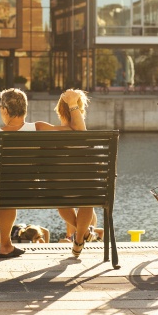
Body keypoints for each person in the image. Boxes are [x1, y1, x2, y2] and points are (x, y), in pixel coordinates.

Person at [36, 89, 101, 254]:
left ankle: (82, 235)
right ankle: (80, 237)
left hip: (58, 192)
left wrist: (70, 104)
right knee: (88, 199)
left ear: (59, 110)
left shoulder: (44, 128)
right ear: (82, 110)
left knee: (61, 199)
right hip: (87, 192)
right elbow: (79, 131)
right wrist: (73, 104)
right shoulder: (85, 140)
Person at [0, 87, 38, 259]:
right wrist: (73, 106)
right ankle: (5, 245)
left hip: (2, 191)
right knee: (10, 187)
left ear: (5, 110)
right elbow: (76, 129)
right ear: (25, 109)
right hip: (33, 190)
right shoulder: (39, 128)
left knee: (4, 188)